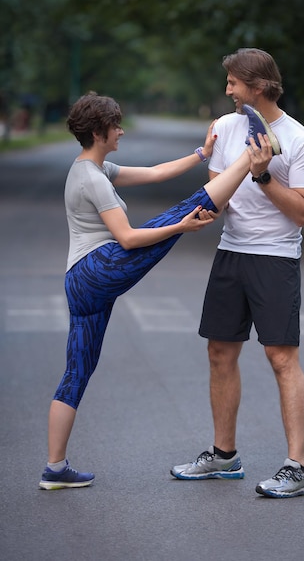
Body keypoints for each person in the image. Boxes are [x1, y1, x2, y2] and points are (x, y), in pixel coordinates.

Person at [39, 91, 271, 490]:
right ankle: (254, 156)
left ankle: (55, 469)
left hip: (79, 281)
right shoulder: (92, 179)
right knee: (185, 211)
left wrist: (202, 153)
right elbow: (128, 239)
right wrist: (181, 229)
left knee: (77, 370)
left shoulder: (91, 169)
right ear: (99, 132)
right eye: (116, 126)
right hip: (100, 269)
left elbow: (155, 173)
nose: (122, 131)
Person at [170, 48, 304, 498]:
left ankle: (298, 467)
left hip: (275, 258)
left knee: (281, 358)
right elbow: (219, 195)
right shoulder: (227, 127)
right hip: (230, 253)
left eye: (234, 82)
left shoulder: (301, 141)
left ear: (257, 86)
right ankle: (223, 456)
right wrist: (202, 213)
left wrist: (264, 177)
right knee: (219, 352)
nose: (227, 90)